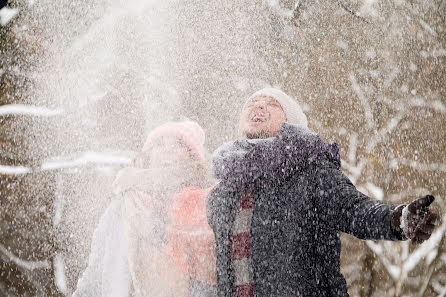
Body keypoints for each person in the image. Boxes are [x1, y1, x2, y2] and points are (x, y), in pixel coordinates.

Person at [207, 88, 439, 297]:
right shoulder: (223, 193)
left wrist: (397, 219)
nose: (258, 106)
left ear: (292, 122)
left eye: (272, 104)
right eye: (253, 102)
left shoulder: (311, 171)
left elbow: (353, 209)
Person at [73, 121, 217, 297]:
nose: (167, 149)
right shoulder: (125, 205)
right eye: (159, 144)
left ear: (193, 157)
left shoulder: (210, 203)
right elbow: (96, 271)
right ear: (147, 156)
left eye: (178, 144)